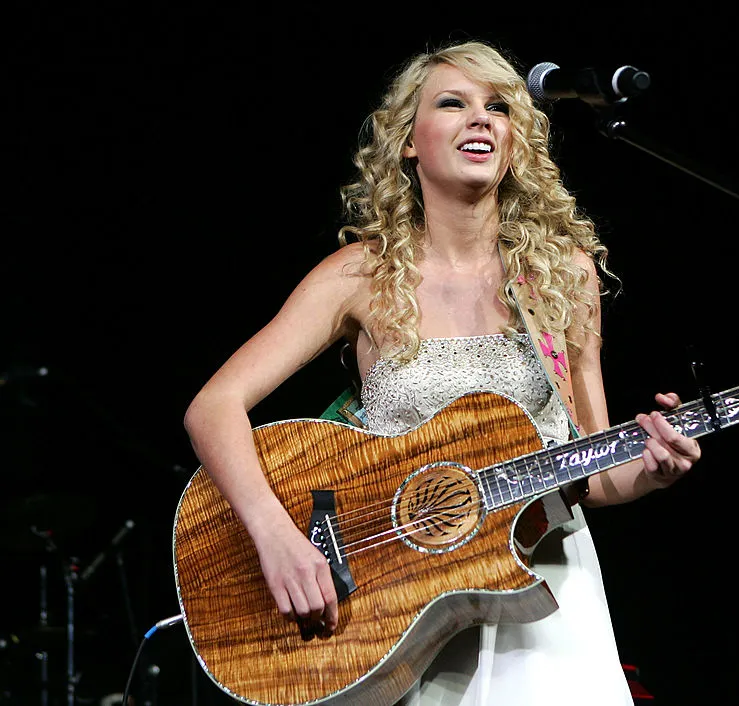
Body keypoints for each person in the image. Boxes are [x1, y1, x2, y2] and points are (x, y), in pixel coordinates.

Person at [182, 39, 702, 705]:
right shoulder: (360, 276)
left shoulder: (561, 274)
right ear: (407, 143)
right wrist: (277, 537)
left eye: (498, 107)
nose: (481, 118)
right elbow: (213, 405)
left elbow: (593, 473)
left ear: (517, 140)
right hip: (393, 602)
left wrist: (652, 471)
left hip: (540, 591)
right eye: (453, 103)